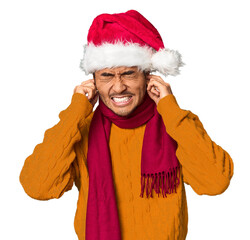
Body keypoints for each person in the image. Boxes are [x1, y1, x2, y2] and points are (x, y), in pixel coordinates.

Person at [19, 9, 234, 240]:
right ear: (93, 82)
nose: (119, 87)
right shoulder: (79, 129)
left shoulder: (177, 124)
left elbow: (216, 182)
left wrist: (170, 108)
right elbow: (37, 187)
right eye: (107, 76)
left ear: (148, 77)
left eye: (129, 74)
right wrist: (75, 113)